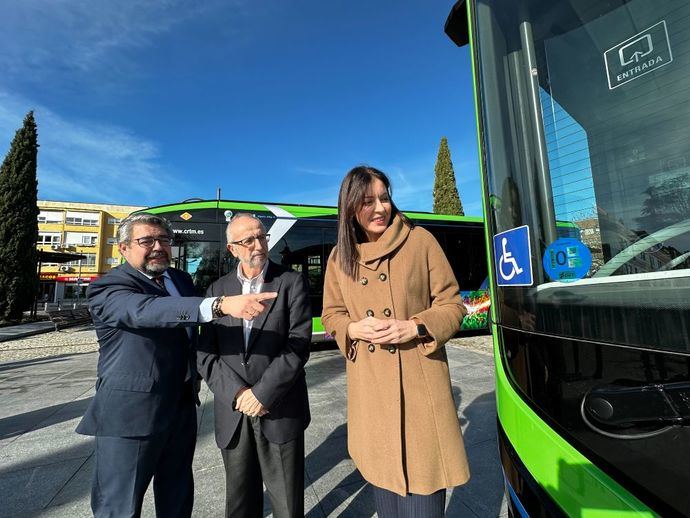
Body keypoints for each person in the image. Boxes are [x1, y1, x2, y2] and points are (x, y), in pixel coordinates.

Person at [76, 213, 276, 518]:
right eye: (147, 240)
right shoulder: (109, 287)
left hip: (181, 410)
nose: (158, 247)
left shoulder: (180, 280)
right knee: (120, 507)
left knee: (177, 498)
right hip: (131, 418)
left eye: (165, 240)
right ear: (123, 248)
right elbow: (146, 310)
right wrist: (220, 305)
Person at [322, 166, 470, 516]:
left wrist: (415, 327)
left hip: (421, 395)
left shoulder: (420, 241)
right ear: (349, 208)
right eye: (367, 201)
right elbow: (331, 314)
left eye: (384, 198)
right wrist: (352, 329)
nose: (379, 209)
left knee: (424, 503)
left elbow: (453, 304)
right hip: (372, 399)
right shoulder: (339, 258)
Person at [197, 213, 311, 518]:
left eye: (262, 237)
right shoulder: (216, 291)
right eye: (248, 240)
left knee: (287, 504)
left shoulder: (290, 282)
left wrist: (261, 394)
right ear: (232, 248)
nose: (258, 245)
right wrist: (238, 394)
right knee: (239, 503)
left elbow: (298, 345)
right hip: (233, 414)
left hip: (280, 408)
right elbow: (206, 354)